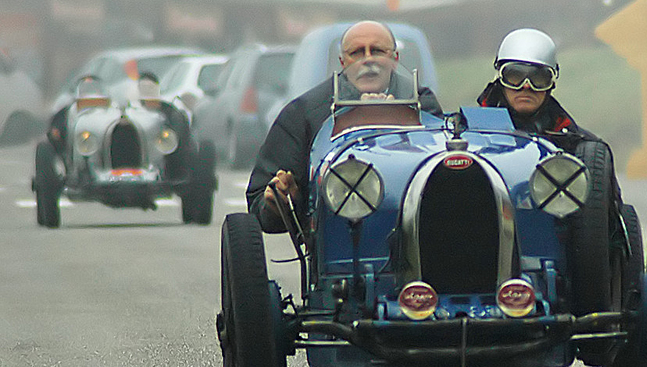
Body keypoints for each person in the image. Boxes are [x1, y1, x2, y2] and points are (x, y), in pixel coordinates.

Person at [247, 20, 443, 233]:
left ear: (394, 59)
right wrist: (282, 201)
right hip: (337, 229)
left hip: (410, 222)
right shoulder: (305, 113)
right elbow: (260, 199)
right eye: (357, 53)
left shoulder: (422, 105)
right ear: (342, 62)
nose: (368, 60)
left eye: (377, 51)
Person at [477, 28, 600, 152]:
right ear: (500, 78)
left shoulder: (580, 146)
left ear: (551, 83)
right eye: (515, 76)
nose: (526, 86)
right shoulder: (464, 133)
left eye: (538, 78)